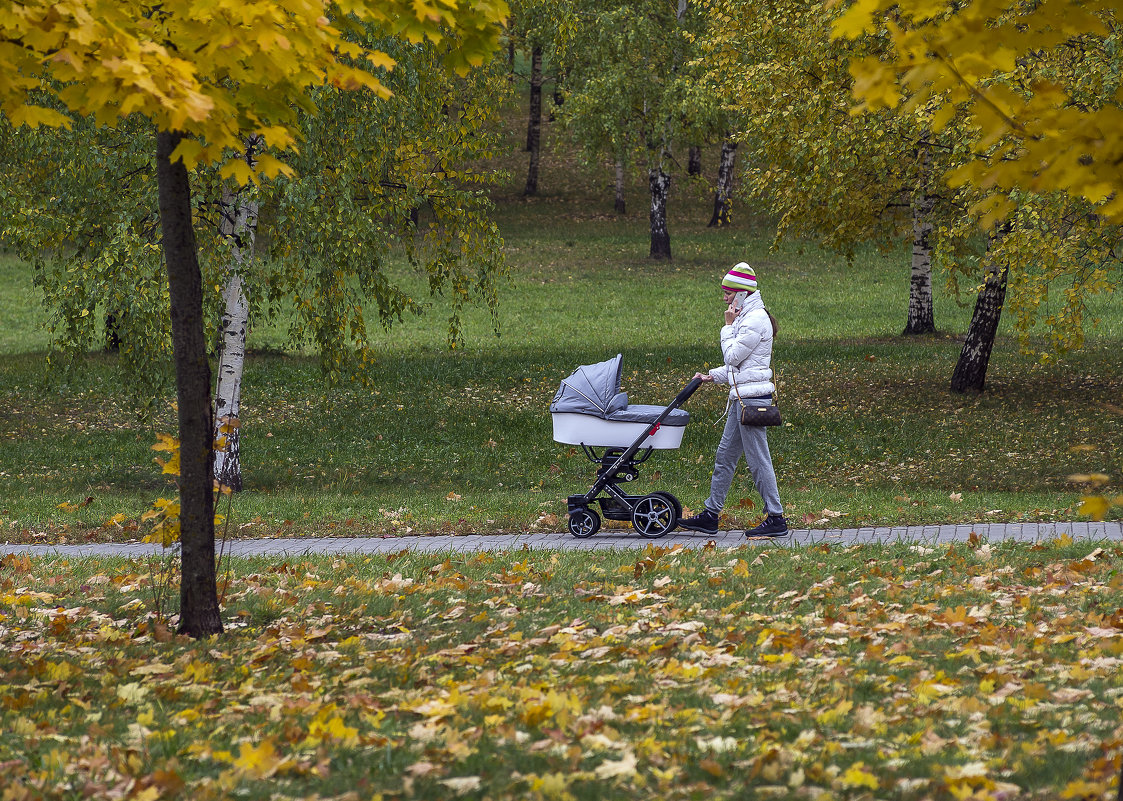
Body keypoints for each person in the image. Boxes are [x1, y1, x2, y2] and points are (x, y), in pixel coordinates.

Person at [679, 262, 789, 537]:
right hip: (741, 398)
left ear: (742, 294)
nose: (724, 298)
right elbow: (740, 368)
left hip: (751, 401)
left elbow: (732, 356)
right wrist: (710, 376)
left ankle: (776, 518)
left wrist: (726, 327)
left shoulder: (754, 319)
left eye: (728, 293)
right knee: (724, 457)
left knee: (758, 461)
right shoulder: (746, 318)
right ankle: (711, 515)